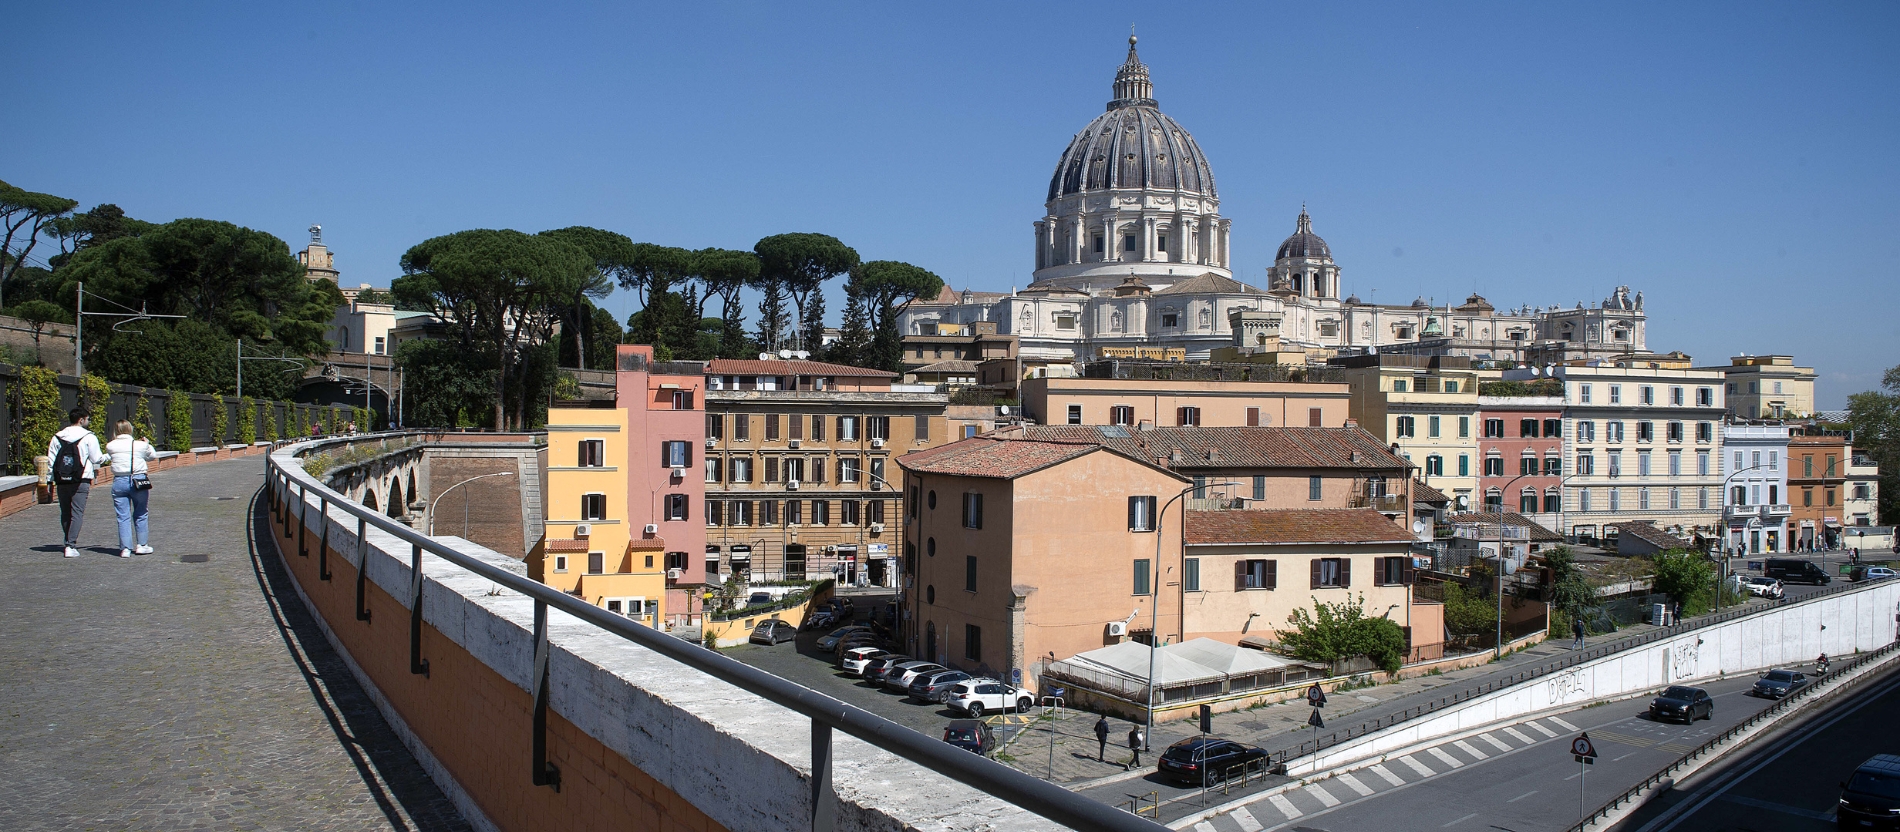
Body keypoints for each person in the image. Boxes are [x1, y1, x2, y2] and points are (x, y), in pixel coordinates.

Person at [47, 408, 105, 558]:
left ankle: (67, 539)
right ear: (81, 420)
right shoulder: (88, 437)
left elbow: (51, 461)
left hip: (61, 480)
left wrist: (50, 480)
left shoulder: (57, 437)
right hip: (81, 478)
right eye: (88, 419)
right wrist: (107, 456)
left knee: (65, 512)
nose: (89, 421)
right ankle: (70, 545)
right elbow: (97, 458)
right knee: (77, 512)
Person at [105, 420, 159, 558]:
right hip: (138, 479)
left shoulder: (110, 446)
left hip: (119, 480)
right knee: (141, 512)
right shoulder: (140, 445)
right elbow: (152, 456)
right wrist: (147, 444)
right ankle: (142, 545)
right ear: (130, 429)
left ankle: (125, 548)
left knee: (122, 516)